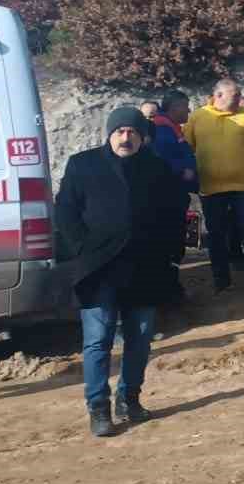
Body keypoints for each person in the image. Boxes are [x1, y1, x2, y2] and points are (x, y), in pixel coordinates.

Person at [54, 107, 184, 437]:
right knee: (98, 339)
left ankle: (130, 399)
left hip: (144, 266)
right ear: (110, 134)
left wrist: (171, 255)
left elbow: (174, 212)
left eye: (133, 133)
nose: (126, 138)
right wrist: (83, 247)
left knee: (139, 339)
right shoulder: (83, 165)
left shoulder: (156, 168)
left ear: (143, 137)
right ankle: (98, 407)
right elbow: (66, 211)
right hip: (99, 268)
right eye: (120, 132)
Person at [184, 78, 244, 292]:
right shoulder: (198, 117)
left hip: (243, 187)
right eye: (235, 95)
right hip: (211, 188)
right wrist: (193, 174)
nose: (240, 99)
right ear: (219, 96)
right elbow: (187, 148)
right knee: (216, 235)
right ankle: (221, 280)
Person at [149, 90, 199, 301]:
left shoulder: (171, 128)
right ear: (174, 107)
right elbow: (161, 159)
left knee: (174, 245)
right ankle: (169, 290)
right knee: (171, 245)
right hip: (169, 199)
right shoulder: (162, 130)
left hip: (175, 197)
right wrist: (182, 169)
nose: (188, 110)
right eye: (185, 106)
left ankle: (170, 287)